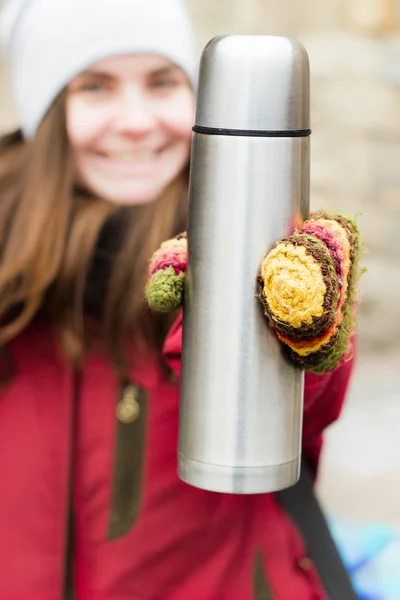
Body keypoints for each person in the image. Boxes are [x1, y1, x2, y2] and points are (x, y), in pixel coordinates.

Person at [0, 0, 359, 598]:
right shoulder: (12, 273)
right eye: (96, 86)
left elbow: (308, 413)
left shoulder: (255, 242)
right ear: (48, 110)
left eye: (163, 82)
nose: (137, 121)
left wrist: (301, 333)